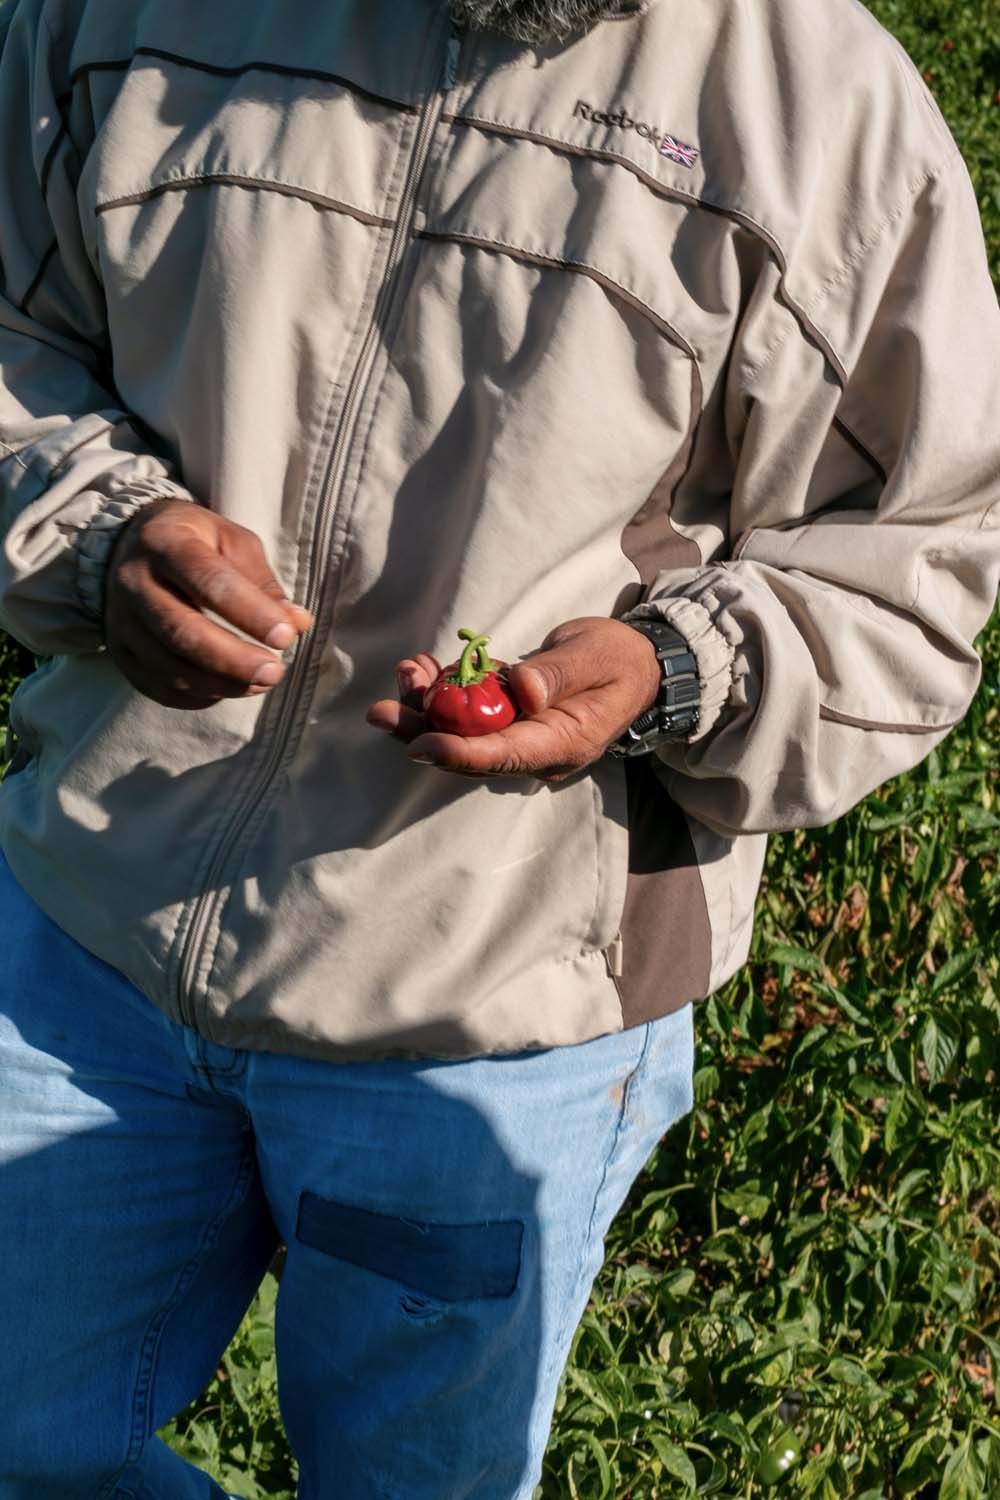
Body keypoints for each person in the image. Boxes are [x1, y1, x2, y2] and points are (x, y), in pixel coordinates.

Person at [0, 0, 998, 1494]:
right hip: (90, 936)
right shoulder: (116, 13)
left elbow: (916, 566)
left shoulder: (817, 105)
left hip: (499, 1008)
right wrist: (100, 537)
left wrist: (669, 667)